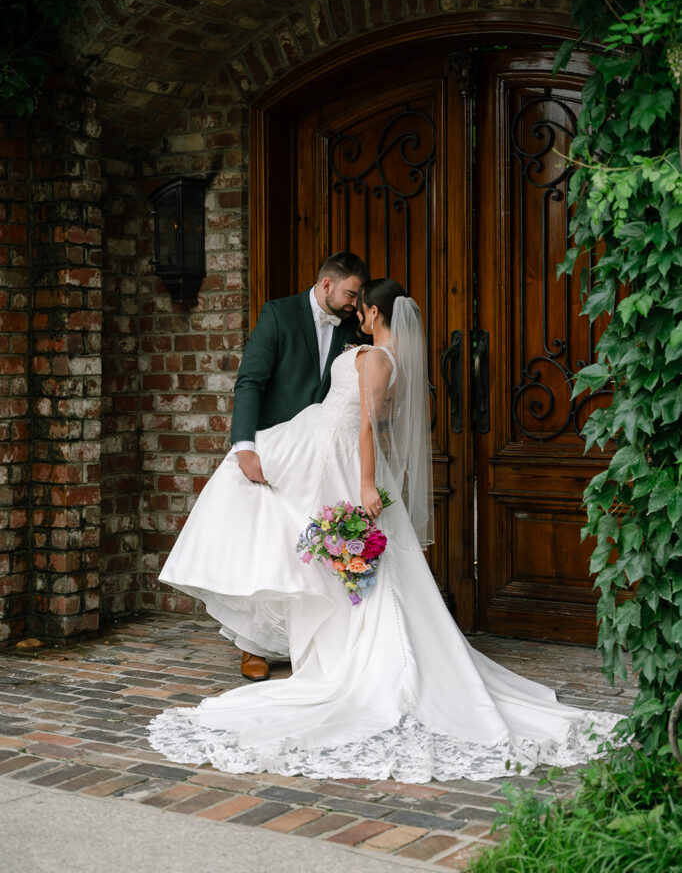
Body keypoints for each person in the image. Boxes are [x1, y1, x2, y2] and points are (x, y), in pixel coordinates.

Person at [149, 279, 620, 784]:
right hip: (326, 447)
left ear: (373, 311)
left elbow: (368, 426)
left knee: (333, 549)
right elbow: (384, 414)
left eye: (362, 309)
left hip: (342, 456)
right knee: (327, 547)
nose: (357, 315)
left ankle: (358, 661)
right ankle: (303, 640)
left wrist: (367, 484)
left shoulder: (373, 358)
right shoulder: (384, 359)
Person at [227, 251, 368, 681]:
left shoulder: (352, 326)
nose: (354, 302)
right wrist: (245, 446)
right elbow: (250, 380)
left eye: (359, 296)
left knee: (311, 551)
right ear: (326, 284)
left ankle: (304, 640)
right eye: (350, 293)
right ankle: (253, 646)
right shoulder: (278, 314)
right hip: (278, 451)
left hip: (325, 455)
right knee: (269, 549)